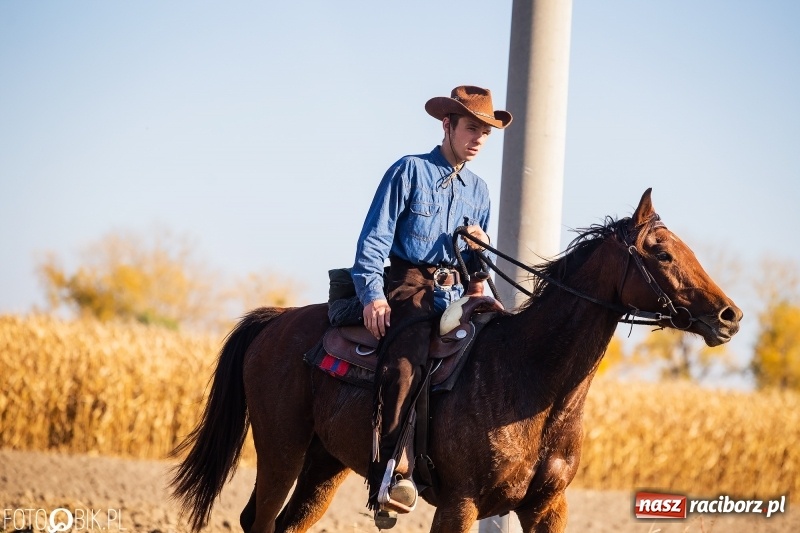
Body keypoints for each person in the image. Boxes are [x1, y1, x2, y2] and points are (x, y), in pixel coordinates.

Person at [351, 85, 512, 520]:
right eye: (472, 128)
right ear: (448, 125)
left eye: (486, 132)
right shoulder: (409, 171)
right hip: (409, 284)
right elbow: (373, 241)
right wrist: (374, 296)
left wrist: (482, 259)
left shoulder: (479, 190)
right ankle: (390, 474)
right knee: (405, 364)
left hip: (459, 290)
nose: (479, 138)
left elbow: (477, 267)